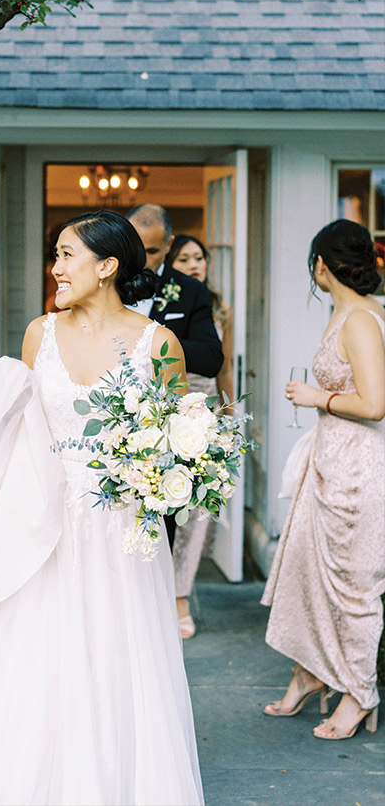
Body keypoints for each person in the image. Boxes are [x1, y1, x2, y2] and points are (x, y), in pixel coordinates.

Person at [0, 210, 204, 805]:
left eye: (66, 255)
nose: (55, 268)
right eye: (55, 255)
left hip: (120, 533)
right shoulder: (38, 334)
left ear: (106, 267)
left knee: (115, 663)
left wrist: (154, 474)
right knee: (33, 666)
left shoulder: (159, 344)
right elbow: (13, 437)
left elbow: (179, 441)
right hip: (38, 525)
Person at [261, 218, 385, 740]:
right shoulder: (344, 314)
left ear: (320, 265)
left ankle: (359, 692)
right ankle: (311, 671)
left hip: (358, 469)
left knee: (355, 585)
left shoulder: (360, 319)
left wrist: (318, 398)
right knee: (309, 571)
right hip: (330, 462)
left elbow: (375, 405)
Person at [127, 204, 223, 554]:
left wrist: (154, 344)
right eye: (134, 247)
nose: (141, 258)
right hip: (112, 428)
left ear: (168, 245)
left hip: (161, 437)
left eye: (151, 251)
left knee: (156, 545)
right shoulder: (105, 281)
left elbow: (212, 359)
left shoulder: (190, 291)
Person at [166, 234, 234, 638]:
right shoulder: (164, 301)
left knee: (197, 511)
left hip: (206, 404)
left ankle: (181, 594)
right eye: (185, 258)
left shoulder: (218, 308)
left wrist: (227, 412)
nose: (194, 264)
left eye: (200, 258)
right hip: (167, 402)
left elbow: (222, 363)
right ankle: (160, 593)